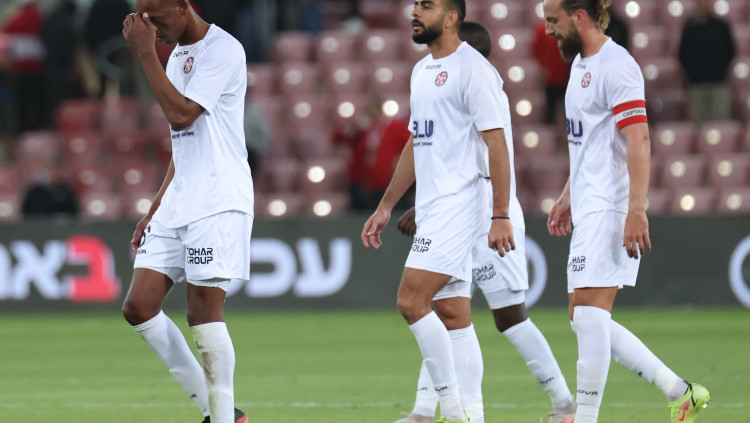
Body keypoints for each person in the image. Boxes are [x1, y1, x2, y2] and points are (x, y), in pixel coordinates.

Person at [393, 21, 575, 423]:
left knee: (509, 316)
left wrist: (499, 216)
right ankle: (428, 411)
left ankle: (565, 404)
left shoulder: (478, 86)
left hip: (490, 214)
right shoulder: (446, 90)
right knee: (443, 310)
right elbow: (446, 161)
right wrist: (428, 207)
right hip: (456, 214)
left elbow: (483, 161)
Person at [542, 1, 711, 422]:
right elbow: (587, 142)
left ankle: (586, 418)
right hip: (589, 202)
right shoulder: (580, 65)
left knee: (589, 316)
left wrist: (637, 209)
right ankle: (680, 391)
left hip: (611, 204)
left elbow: (639, 139)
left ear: (579, 17)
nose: (547, 30)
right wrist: (567, 194)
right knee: (584, 318)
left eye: (553, 20)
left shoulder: (617, 65)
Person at [361, 1, 516, 422]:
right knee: (452, 314)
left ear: (451, 17)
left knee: (411, 301)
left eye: (426, 5)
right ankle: (473, 416)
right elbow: (418, 141)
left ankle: (450, 412)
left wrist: (501, 214)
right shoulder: (421, 71)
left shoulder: (474, 70)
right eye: (415, 4)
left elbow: (497, 143)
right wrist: (387, 205)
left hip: (460, 202)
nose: (415, 12)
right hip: (434, 205)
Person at [120, 1, 253, 423]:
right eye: (146, 21)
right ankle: (222, 414)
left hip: (217, 199)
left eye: (157, 18)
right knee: (139, 307)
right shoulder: (177, 55)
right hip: (179, 200)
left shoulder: (223, 49)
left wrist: (145, 53)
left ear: (183, 5)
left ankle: (221, 417)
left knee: (202, 314)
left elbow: (181, 117)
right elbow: (185, 145)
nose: (152, 29)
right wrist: (155, 206)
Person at [678, 0, 735, 122]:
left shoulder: (722, 26)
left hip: (719, 82)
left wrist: (721, 70)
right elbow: (682, 54)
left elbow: (730, 51)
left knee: (722, 118)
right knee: (700, 121)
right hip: (697, 83)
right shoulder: (689, 27)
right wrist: (692, 73)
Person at [532, 19, 571, 125]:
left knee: (570, 113)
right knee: (550, 112)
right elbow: (537, 51)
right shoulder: (542, 30)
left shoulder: (570, 28)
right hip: (552, 79)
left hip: (568, 79)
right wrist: (545, 67)